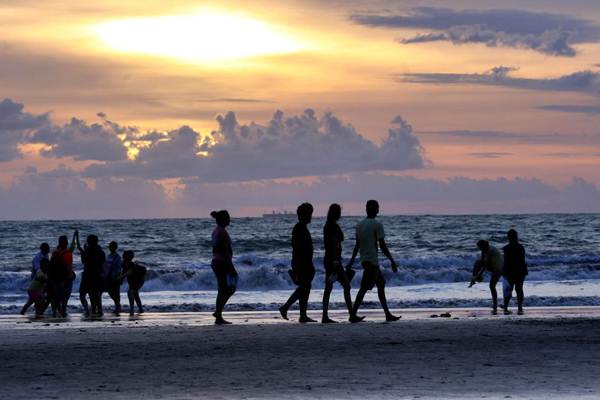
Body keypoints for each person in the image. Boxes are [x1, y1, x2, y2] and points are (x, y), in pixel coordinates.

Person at [347, 200, 400, 322]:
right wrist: (392, 260)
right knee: (364, 288)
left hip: (365, 261)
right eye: (377, 208)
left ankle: (387, 314)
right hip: (372, 262)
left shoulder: (360, 225)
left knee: (380, 284)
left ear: (366, 209)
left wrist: (351, 261)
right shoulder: (377, 225)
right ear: (376, 210)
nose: (378, 210)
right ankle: (353, 314)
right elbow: (382, 245)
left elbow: (357, 246)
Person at [321, 203, 361, 323]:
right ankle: (351, 315)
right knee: (345, 285)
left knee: (330, 287)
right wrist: (335, 261)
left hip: (330, 260)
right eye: (339, 212)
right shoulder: (332, 226)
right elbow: (333, 244)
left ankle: (326, 315)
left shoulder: (329, 225)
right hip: (334, 261)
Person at [279, 202, 316, 323]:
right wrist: (302, 265)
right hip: (302, 263)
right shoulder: (299, 228)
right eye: (309, 214)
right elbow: (299, 248)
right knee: (305, 286)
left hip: (302, 262)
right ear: (303, 215)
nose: (310, 217)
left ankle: (302, 314)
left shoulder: (301, 228)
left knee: (305, 287)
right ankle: (286, 307)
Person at [210, 210, 238, 325]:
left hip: (217, 262)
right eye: (228, 218)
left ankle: (218, 314)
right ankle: (218, 313)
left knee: (222, 289)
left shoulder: (217, 231)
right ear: (223, 219)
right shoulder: (221, 232)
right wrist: (231, 267)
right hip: (222, 262)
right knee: (230, 288)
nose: (229, 219)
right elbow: (225, 250)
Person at [470, 240, 504, 314]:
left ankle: (495, 305)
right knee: (477, 262)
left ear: (483, 246)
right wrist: (476, 275)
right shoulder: (484, 250)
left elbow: (485, 265)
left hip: (499, 269)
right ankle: (473, 279)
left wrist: (479, 275)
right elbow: (482, 262)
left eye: (479, 247)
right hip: (493, 266)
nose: (479, 249)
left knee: (492, 286)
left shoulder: (489, 251)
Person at [48, 234, 76, 317]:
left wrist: (74, 237)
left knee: (55, 295)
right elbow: (68, 267)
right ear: (66, 243)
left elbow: (51, 264)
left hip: (55, 277)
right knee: (65, 296)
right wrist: (71, 276)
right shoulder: (68, 254)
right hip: (65, 277)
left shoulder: (55, 252)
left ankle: (54, 312)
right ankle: (63, 311)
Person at [78, 233, 106, 317]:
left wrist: (82, 249)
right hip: (98, 275)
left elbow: (83, 261)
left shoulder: (87, 251)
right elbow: (103, 263)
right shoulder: (101, 252)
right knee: (96, 294)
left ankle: (87, 310)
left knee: (82, 294)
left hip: (87, 275)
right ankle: (99, 310)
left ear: (88, 242)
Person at [502, 229, 527, 315]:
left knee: (509, 289)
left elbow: (506, 261)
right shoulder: (521, 247)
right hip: (520, 270)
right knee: (519, 289)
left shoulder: (506, 248)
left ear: (508, 237)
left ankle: (505, 307)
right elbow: (522, 259)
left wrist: (504, 271)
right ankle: (520, 307)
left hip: (510, 271)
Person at [20, 243, 50, 315]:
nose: (48, 250)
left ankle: (25, 312)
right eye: (46, 249)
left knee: (32, 300)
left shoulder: (46, 255)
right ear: (43, 249)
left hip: (38, 280)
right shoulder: (38, 257)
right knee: (38, 299)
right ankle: (37, 312)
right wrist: (45, 278)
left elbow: (46, 267)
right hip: (36, 278)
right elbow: (38, 270)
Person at [121, 250, 146, 316]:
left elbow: (129, 272)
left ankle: (132, 309)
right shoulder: (124, 263)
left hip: (138, 280)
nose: (124, 257)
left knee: (130, 292)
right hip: (133, 281)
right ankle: (141, 309)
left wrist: (122, 277)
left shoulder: (131, 264)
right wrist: (121, 280)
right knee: (135, 294)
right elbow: (124, 272)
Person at [103, 241, 123, 315]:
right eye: (110, 246)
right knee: (110, 292)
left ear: (116, 247)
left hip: (115, 277)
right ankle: (118, 305)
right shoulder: (108, 256)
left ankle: (117, 307)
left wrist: (117, 276)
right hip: (108, 277)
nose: (111, 248)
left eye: (112, 246)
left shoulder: (118, 257)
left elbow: (119, 268)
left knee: (116, 293)